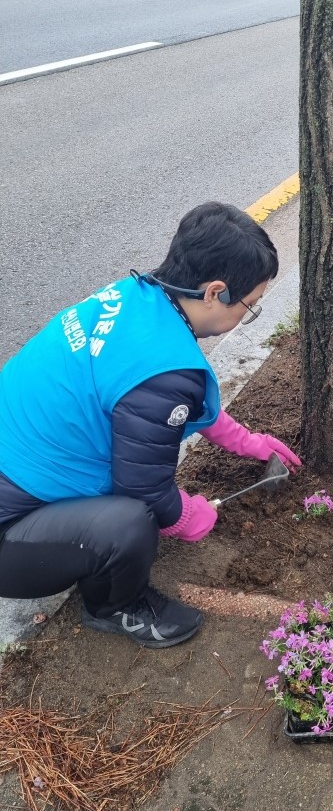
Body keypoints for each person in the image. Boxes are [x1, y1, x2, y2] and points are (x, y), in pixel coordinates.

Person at [0, 202, 301, 649]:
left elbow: (165, 402)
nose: (247, 315)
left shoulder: (137, 298)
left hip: (21, 477)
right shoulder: (165, 373)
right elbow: (142, 488)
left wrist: (248, 443)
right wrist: (185, 516)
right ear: (215, 292)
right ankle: (113, 608)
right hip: (10, 535)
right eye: (250, 305)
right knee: (131, 523)